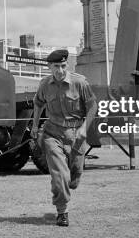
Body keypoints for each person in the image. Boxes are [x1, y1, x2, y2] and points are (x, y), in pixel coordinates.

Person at [31, 48, 97, 227]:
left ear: (67, 65)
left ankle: (70, 184)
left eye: (62, 66)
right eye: (55, 67)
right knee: (59, 175)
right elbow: (38, 104)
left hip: (76, 136)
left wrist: (85, 127)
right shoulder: (45, 84)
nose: (59, 71)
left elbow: (93, 106)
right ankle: (62, 212)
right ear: (49, 67)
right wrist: (35, 127)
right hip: (52, 134)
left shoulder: (80, 82)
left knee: (73, 178)